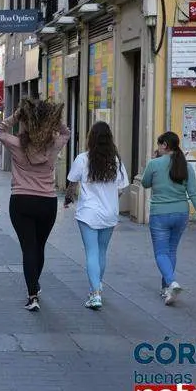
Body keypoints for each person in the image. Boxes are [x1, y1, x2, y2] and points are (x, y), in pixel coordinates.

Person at [0, 98, 70, 312]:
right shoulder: (53, 144)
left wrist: (17, 115)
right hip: (47, 202)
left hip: (22, 201)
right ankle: (34, 283)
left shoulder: (18, 144)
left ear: (25, 123)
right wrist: (52, 120)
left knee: (28, 248)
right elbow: (66, 132)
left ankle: (32, 295)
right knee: (39, 246)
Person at [64, 122, 130, 310]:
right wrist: (109, 198)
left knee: (91, 252)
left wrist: (68, 199)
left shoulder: (83, 159)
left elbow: (72, 184)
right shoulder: (116, 161)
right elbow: (121, 189)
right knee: (102, 251)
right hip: (109, 213)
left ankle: (95, 294)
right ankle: (97, 285)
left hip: (88, 213)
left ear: (91, 138)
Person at [141, 131, 196, 306]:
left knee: (161, 252)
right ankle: (166, 289)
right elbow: (193, 192)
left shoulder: (154, 164)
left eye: (158, 144)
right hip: (180, 214)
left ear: (164, 145)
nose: (157, 147)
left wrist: (155, 164)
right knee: (171, 251)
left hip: (160, 214)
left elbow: (145, 183)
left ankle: (171, 283)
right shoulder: (185, 166)